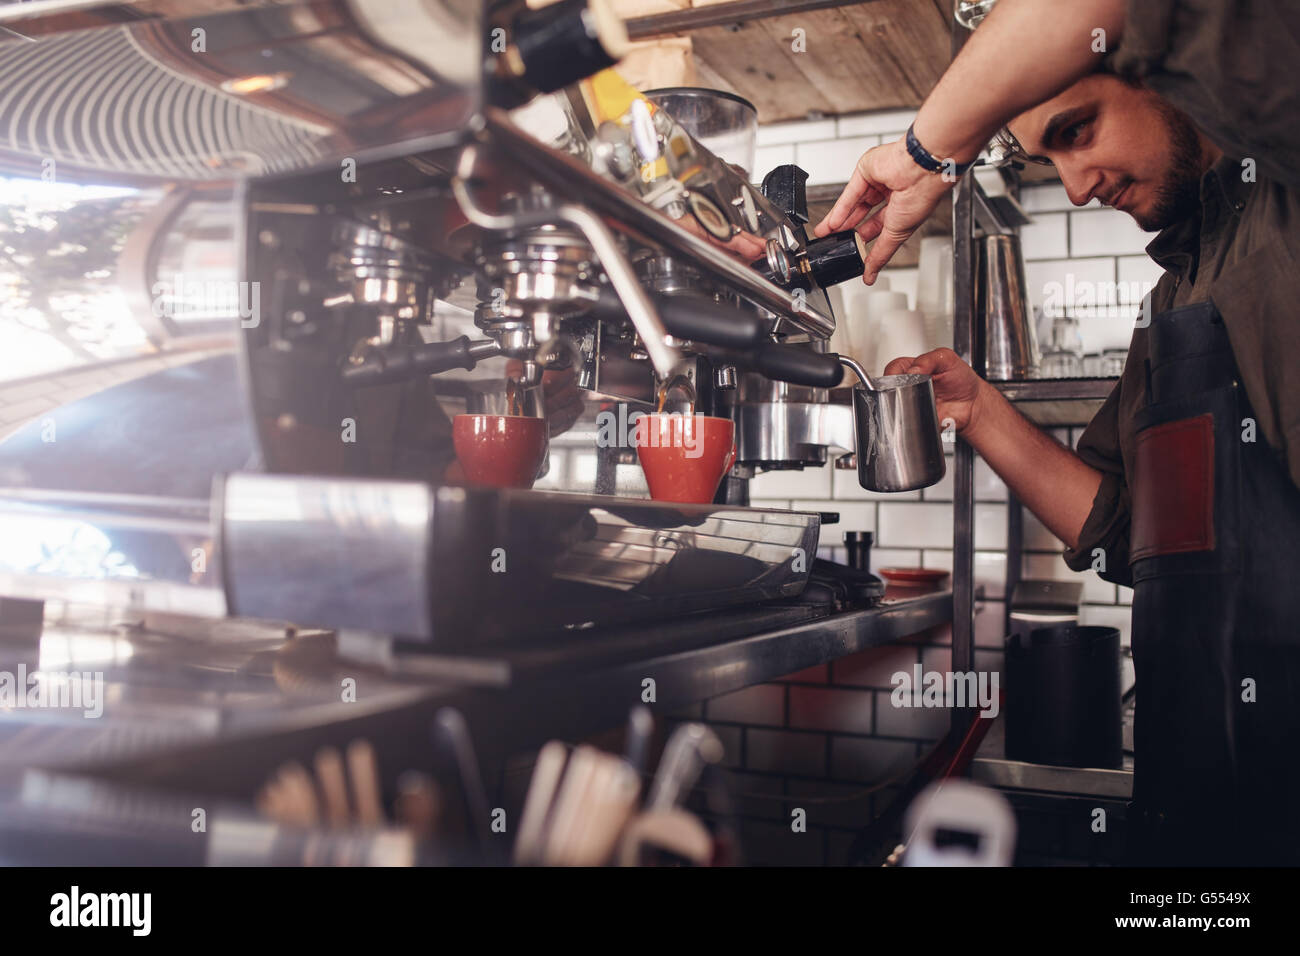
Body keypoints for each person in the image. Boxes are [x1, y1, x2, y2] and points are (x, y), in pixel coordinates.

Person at [812, 0, 1300, 864]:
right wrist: (977, 406)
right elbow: (1119, 533)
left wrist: (927, 156)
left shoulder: (1285, 187)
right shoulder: (1170, 305)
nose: (1076, 186)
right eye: (1049, 159)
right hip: (1205, 793)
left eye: (1079, 131)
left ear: (1163, 75)